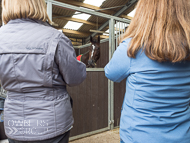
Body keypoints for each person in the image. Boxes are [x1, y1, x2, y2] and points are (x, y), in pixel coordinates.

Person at [0, 0, 86, 143]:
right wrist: (80, 64)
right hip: (52, 125)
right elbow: (75, 78)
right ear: (40, 5)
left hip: (15, 125)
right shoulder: (56, 37)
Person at [104, 0, 190, 143]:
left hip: (138, 136)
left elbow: (110, 72)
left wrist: (126, 38)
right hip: (183, 136)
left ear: (144, 13)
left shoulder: (132, 47)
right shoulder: (187, 50)